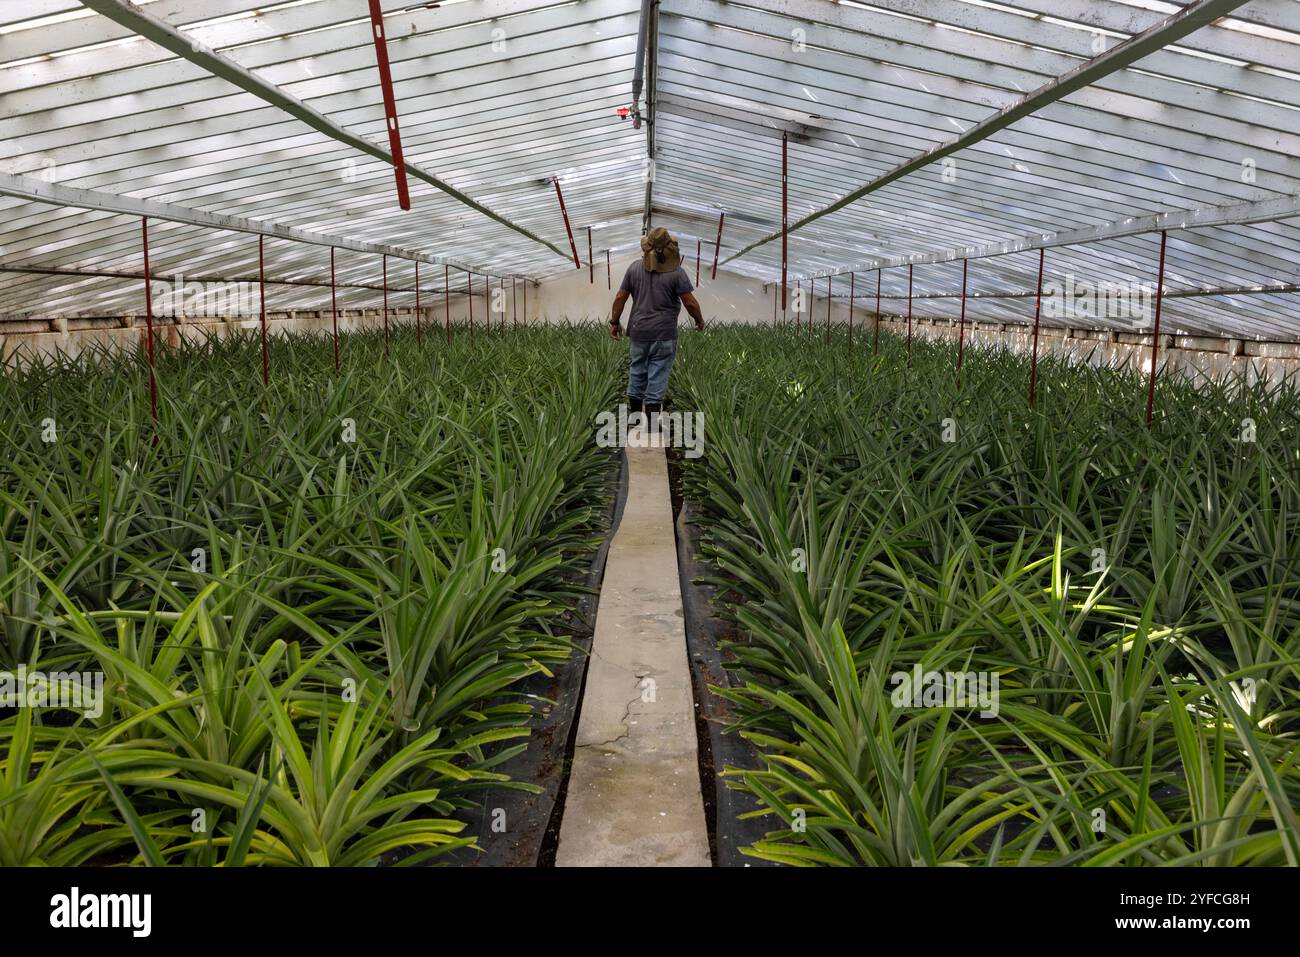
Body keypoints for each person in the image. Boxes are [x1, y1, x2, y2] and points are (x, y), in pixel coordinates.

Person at [609, 227, 705, 434]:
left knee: (637, 371)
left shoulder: (634, 269)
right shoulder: (677, 273)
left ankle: (634, 420)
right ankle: (652, 425)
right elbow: (689, 301)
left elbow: (620, 298)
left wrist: (614, 322)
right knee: (657, 375)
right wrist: (699, 320)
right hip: (664, 334)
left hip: (638, 332)